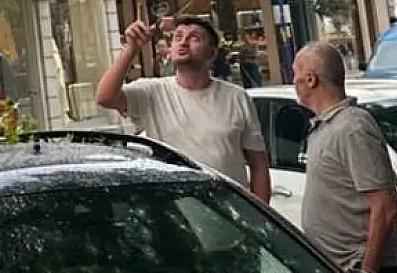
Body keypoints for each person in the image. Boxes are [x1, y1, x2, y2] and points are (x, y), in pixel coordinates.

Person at [96, 16, 271, 201]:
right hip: (176, 214)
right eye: (178, 37)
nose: (184, 42)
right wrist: (131, 48)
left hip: (229, 212)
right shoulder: (152, 91)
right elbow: (105, 97)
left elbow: (258, 164)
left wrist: (262, 219)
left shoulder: (237, 97)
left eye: (194, 38)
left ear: (212, 52)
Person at [292, 42, 397, 273]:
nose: (292, 79)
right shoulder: (327, 126)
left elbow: (386, 206)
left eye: (294, 72)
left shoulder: (353, 127)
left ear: (310, 79)